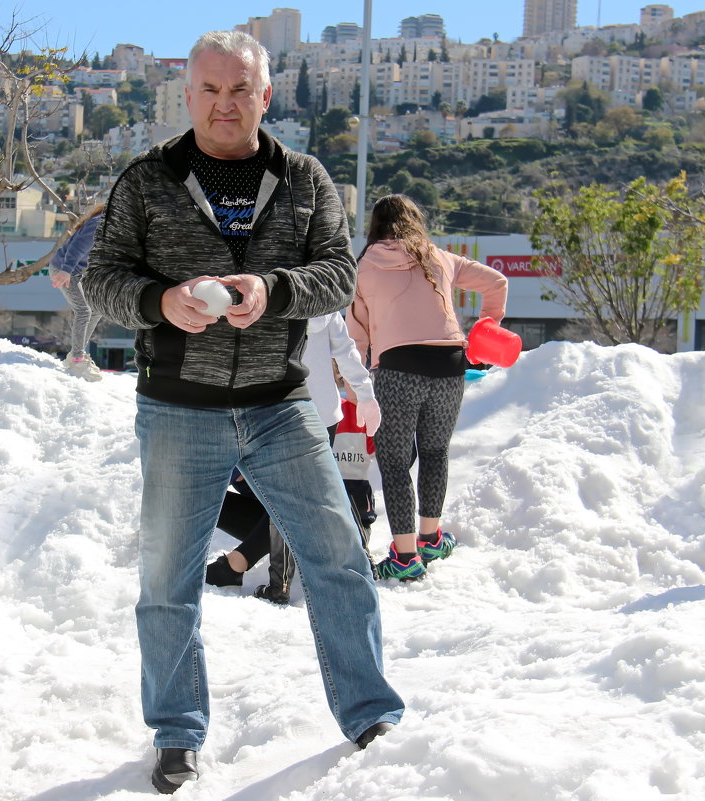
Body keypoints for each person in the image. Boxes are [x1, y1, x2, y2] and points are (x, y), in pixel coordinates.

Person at [82, 30, 404, 795]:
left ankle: (369, 713)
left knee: (339, 558)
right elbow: (101, 279)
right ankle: (176, 732)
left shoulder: (304, 178)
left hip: (279, 403)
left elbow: (334, 274)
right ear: (187, 95)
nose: (226, 104)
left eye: (242, 89)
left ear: (267, 95)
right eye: (211, 90)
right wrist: (159, 301)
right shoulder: (146, 180)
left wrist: (273, 291)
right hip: (177, 408)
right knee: (167, 579)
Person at [346, 194, 508, 582]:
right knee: (435, 452)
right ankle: (431, 538)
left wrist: (352, 384)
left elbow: (357, 334)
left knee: (395, 461)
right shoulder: (439, 257)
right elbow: (497, 282)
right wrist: (488, 329)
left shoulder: (364, 266)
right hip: (450, 365)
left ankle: (404, 557)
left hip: (398, 369)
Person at [205, 311, 382, 605]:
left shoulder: (264, 297)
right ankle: (361, 557)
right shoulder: (322, 304)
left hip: (278, 408)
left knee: (287, 492)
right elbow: (346, 350)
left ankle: (272, 581)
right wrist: (365, 393)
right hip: (323, 412)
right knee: (322, 487)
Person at [50, 207, 105, 381]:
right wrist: (66, 270)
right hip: (65, 270)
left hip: (77, 272)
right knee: (83, 310)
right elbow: (77, 247)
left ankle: (75, 355)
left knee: (96, 309)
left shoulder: (112, 226)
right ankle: (77, 359)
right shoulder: (100, 223)